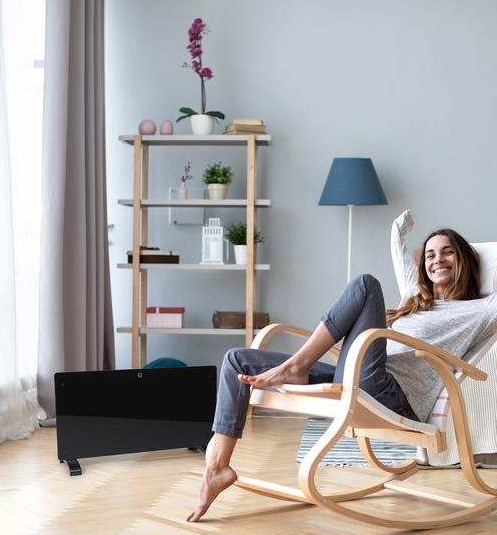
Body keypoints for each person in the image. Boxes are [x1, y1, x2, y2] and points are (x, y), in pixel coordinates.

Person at [187, 210, 497, 523]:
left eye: (448, 252)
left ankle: (298, 364)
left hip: (391, 395)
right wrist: (398, 230)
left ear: (465, 261)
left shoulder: (482, 309)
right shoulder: (415, 299)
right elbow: (401, 258)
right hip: (361, 377)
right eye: (430, 255)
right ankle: (217, 468)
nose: (437, 260)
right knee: (236, 360)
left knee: (365, 285)